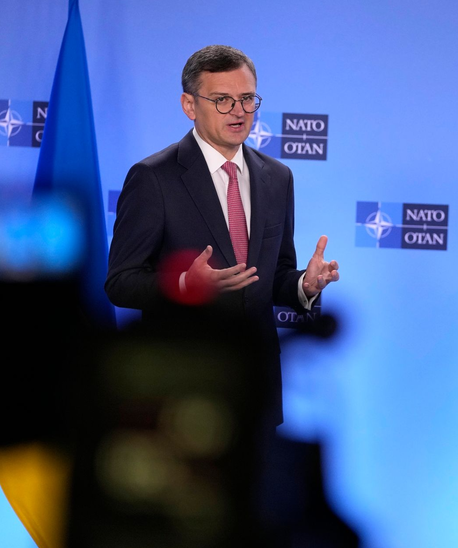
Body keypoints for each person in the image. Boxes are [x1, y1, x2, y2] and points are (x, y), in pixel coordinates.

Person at [105, 44, 339, 426]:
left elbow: (273, 276)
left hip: (256, 381)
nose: (239, 111)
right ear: (189, 105)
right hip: (180, 385)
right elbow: (120, 283)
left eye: (247, 99)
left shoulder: (278, 177)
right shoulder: (153, 178)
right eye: (223, 100)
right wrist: (185, 284)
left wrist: (304, 286)